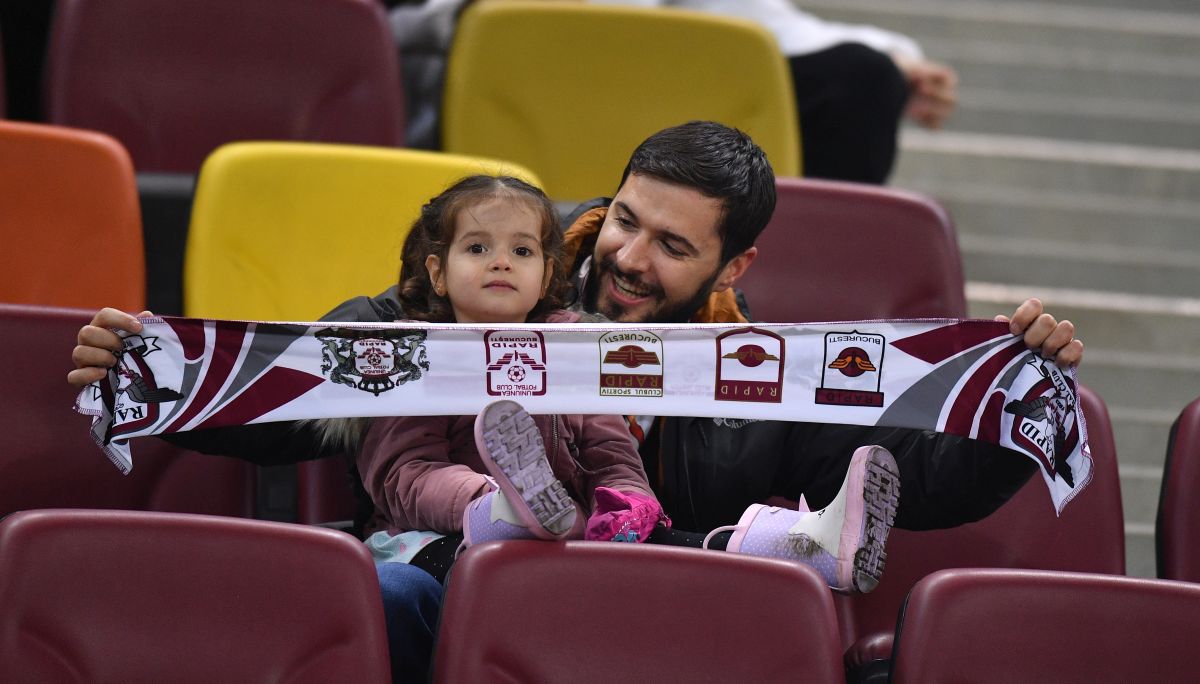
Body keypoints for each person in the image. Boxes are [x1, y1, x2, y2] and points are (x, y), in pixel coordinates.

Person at [70, 121, 1082, 674]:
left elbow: (909, 477)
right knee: (380, 594)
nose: (631, 259)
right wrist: (155, 375)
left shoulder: (760, 369)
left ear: (737, 260)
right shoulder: (446, 300)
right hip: (447, 587)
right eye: (626, 222)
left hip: (642, 638)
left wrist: (1015, 407)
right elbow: (290, 398)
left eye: (673, 246)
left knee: (764, 575)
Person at [346, 173, 900, 595]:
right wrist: (490, 500)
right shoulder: (411, 352)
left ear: (547, 271)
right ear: (438, 271)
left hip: (569, 535)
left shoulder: (582, 345)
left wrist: (630, 501)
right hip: (433, 539)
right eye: (477, 248)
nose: (501, 263)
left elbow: (610, 447)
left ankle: (808, 545)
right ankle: (509, 514)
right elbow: (404, 475)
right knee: (477, 563)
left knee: (668, 546)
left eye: (522, 251)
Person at [392, 0, 956, 184]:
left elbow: (765, 24)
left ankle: (825, 320)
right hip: (476, 149)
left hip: (661, 138)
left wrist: (892, 56)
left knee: (861, 77)